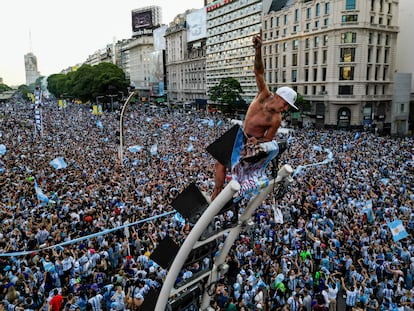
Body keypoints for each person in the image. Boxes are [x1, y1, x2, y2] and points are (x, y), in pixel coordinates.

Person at [212, 29, 298, 200]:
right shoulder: (263, 95)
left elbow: (269, 139)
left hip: (252, 143)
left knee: (238, 171)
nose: (286, 109)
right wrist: (258, 50)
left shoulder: (277, 119)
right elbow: (259, 72)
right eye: (286, 105)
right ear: (279, 97)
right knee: (220, 163)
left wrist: (256, 141)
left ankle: (231, 195)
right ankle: (216, 194)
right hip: (239, 134)